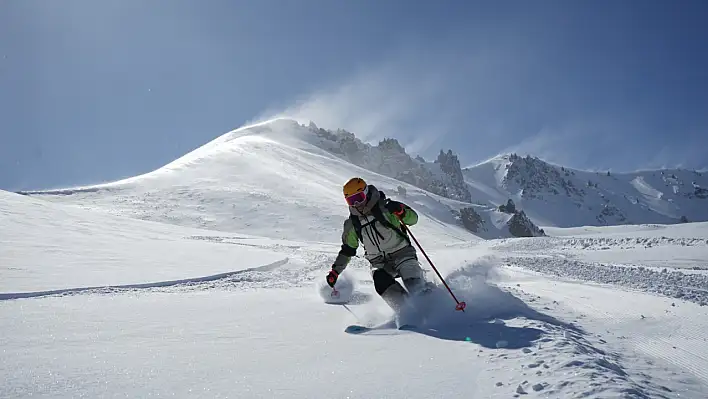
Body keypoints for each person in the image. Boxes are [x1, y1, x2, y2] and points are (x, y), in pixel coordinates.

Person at [326, 177, 432, 312]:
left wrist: (401, 211)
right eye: (351, 200)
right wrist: (335, 272)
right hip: (379, 263)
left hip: (402, 253)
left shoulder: (386, 207)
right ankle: (407, 311)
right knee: (380, 281)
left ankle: (432, 304)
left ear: (366, 192)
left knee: (414, 284)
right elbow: (348, 250)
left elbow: (413, 219)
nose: (357, 203)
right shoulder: (352, 224)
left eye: (359, 197)